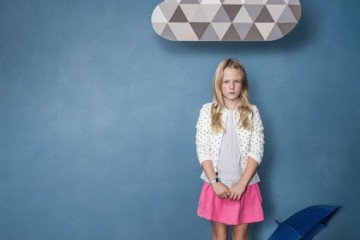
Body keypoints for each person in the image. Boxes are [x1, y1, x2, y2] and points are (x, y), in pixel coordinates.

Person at [195, 58, 265, 240]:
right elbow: (202, 149)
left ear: (243, 84)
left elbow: (256, 150)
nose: (231, 86)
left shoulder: (251, 112)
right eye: (226, 82)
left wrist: (242, 184)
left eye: (236, 81)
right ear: (219, 84)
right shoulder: (207, 111)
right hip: (218, 185)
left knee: (240, 238)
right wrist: (214, 182)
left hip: (245, 185)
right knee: (220, 237)